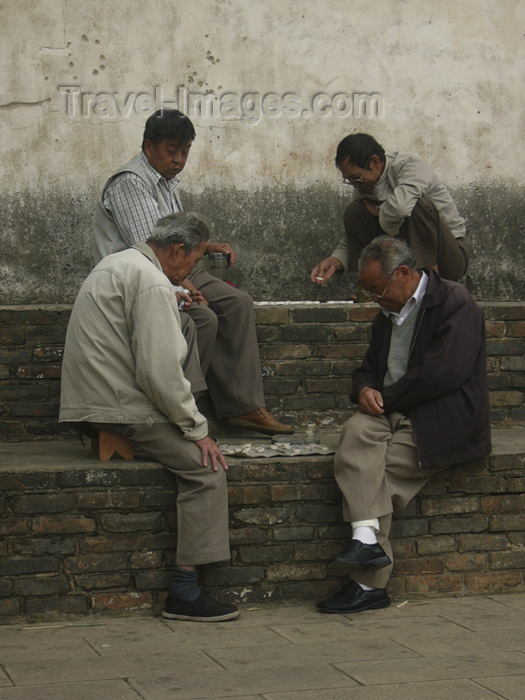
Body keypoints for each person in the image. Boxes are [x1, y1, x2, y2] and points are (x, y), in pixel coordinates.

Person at [60, 212, 240, 622]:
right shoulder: (152, 281)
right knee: (206, 470)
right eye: (191, 263)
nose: (189, 272)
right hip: (116, 403)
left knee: (187, 323)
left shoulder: (122, 263)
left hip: (99, 393)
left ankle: (188, 414)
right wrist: (196, 430)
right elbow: (157, 371)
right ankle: (184, 592)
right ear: (177, 249)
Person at [318, 235, 491, 614]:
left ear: (403, 273)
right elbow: (367, 367)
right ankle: (364, 536)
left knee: (373, 476)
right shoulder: (388, 312)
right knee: (355, 432)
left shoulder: (455, 302)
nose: (375, 299)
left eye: (377, 290)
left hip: (441, 417)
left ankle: (367, 582)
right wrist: (364, 388)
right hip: (392, 409)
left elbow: (443, 373)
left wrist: (387, 399)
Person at [93, 108, 292, 436]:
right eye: (172, 151)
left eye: (185, 152)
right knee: (204, 315)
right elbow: (155, 250)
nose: (179, 160)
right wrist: (185, 284)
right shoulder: (130, 182)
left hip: (171, 267)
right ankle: (183, 404)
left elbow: (177, 239)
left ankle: (243, 406)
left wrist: (207, 246)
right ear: (148, 146)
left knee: (237, 303)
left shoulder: (166, 182)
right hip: (141, 275)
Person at [311, 133, 469, 289]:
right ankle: (369, 287)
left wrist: (379, 210)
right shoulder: (365, 187)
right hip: (403, 260)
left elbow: (401, 208)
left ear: (375, 162)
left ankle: (429, 285)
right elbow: (351, 237)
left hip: (447, 258)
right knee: (355, 212)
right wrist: (333, 261)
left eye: (357, 178)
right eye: (350, 181)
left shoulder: (410, 166)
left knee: (416, 204)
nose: (355, 185)